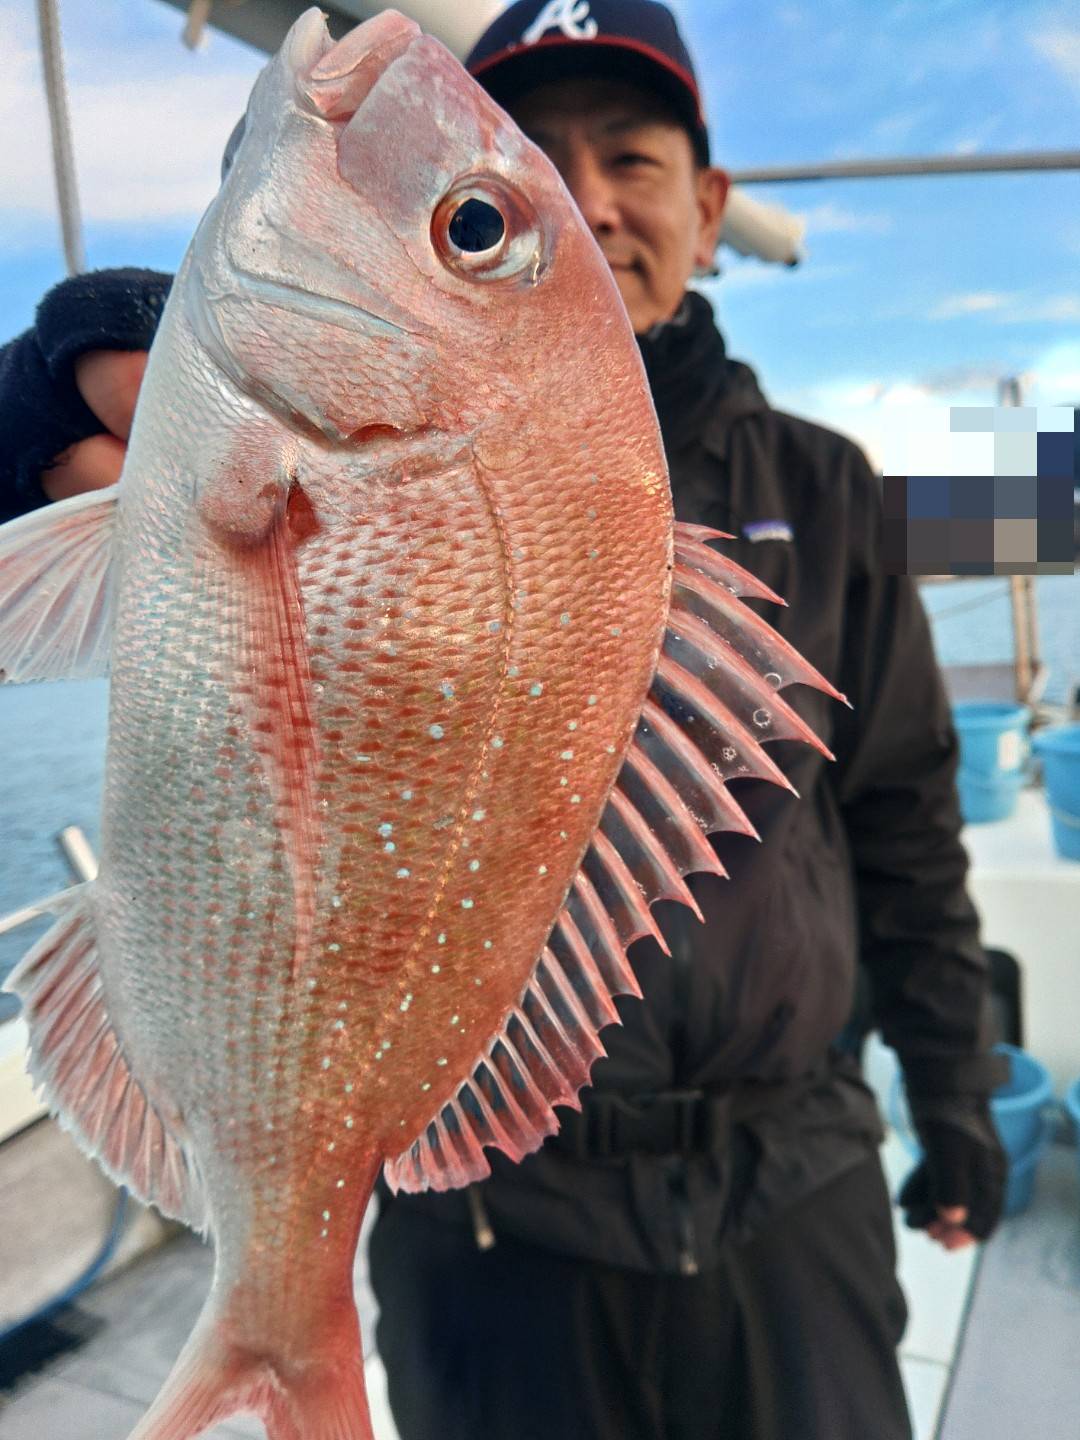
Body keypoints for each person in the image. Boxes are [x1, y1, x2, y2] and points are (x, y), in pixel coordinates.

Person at [0, 3, 1008, 1437]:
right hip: (490, 1226)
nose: (590, 199)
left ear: (709, 203)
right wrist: (37, 426)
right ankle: (280, 1312)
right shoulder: (254, 428)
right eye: (532, 171)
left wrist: (954, 1097)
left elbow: (907, 820)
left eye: (632, 158)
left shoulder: (831, 486)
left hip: (794, 1190)